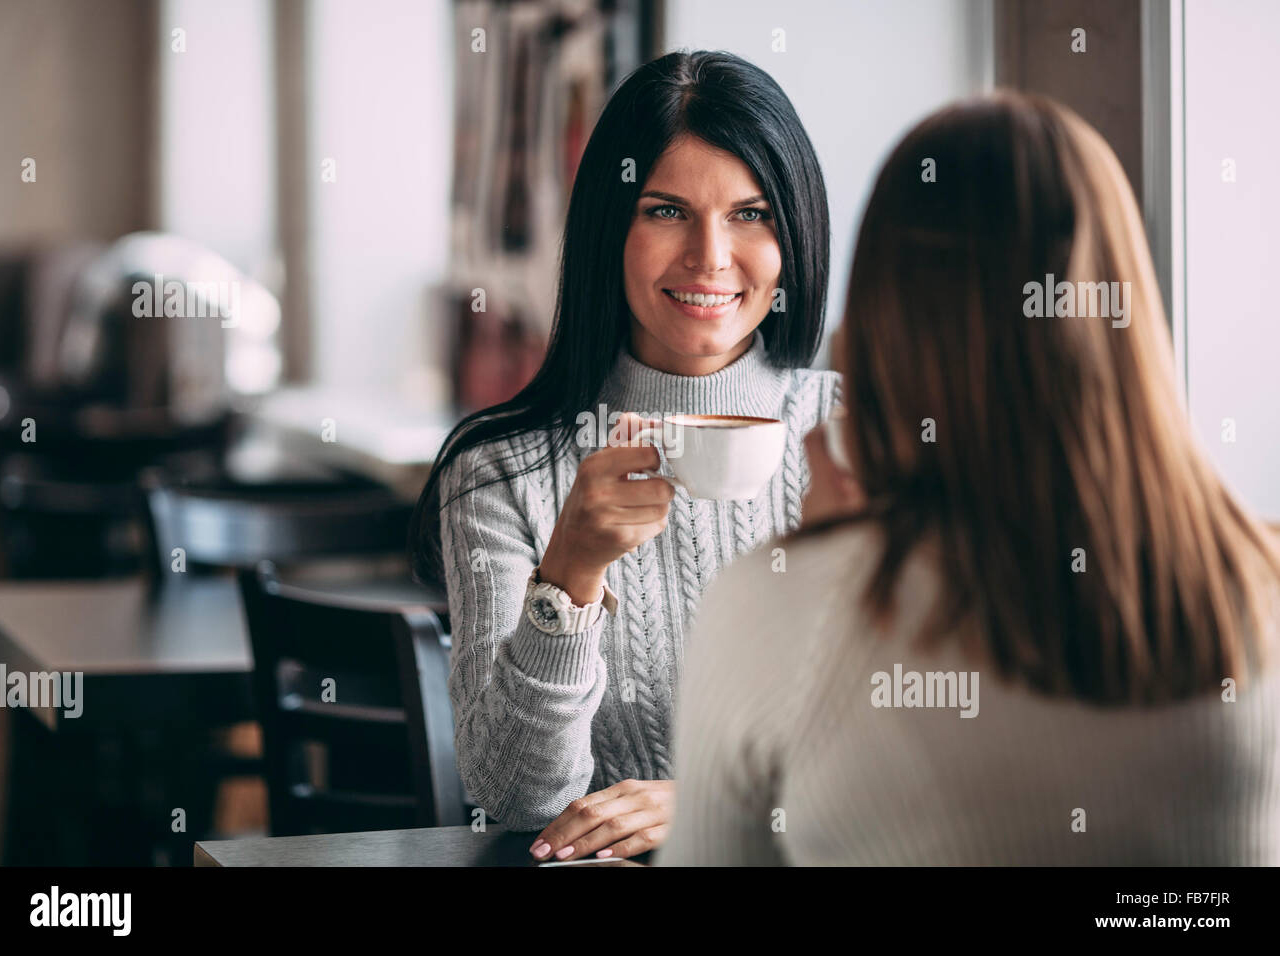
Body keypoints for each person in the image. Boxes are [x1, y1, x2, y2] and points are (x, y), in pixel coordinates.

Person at [659, 91, 1280, 865]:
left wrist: (816, 580)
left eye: (751, 214)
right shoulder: (1260, 586)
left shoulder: (780, 613)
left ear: (880, 317)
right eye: (666, 211)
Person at [409, 51, 841, 861]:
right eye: (667, 211)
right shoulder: (502, 471)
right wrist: (568, 574)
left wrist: (717, 806)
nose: (710, 256)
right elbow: (514, 797)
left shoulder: (858, 434)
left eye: (750, 215)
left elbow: (933, 741)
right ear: (612, 227)